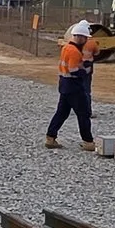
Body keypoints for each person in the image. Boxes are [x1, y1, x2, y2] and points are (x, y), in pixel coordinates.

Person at [45, 19, 97, 149]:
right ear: (79, 37)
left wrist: (82, 64)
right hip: (74, 86)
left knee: (61, 113)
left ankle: (50, 138)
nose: (86, 40)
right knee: (83, 113)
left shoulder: (66, 47)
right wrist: (84, 72)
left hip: (64, 84)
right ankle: (88, 141)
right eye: (85, 38)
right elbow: (73, 69)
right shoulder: (74, 51)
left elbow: (69, 65)